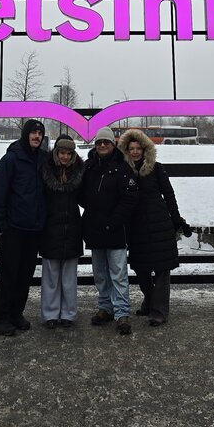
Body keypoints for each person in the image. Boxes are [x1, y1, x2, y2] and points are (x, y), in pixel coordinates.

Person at [118, 127, 190, 327]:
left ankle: (159, 310)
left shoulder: (156, 169)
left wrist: (176, 219)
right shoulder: (123, 171)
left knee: (161, 270)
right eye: (131, 148)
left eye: (138, 148)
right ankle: (149, 300)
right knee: (141, 269)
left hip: (160, 225)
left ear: (144, 149)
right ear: (126, 150)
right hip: (136, 227)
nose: (135, 152)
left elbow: (169, 194)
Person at [0, 119, 47, 336]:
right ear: (25, 134)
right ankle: (0, 317)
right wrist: (1, 224)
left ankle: (16, 313)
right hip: (13, 228)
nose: (37, 136)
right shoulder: (11, 159)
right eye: (33, 132)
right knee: (8, 273)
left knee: (25, 274)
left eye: (40, 133)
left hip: (34, 228)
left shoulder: (43, 159)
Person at [80, 126, 138, 335]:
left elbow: (129, 199)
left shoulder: (123, 167)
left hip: (115, 230)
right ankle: (105, 307)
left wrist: (113, 221)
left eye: (106, 142)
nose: (102, 145)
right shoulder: (88, 167)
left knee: (118, 274)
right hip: (95, 228)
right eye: (99, 142)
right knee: (100, 274)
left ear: (113, 145)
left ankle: (122, 312)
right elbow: (81, 195)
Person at [38, 134, 84, 328]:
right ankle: (50, 314)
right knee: (50, 276)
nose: (65, 157)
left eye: (68, 153)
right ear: (56, 153)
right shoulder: (45, 170)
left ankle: (68, 313)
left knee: (69, 277)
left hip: (72, 228)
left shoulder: (80, 172)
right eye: (62, 153)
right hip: (50, 228)